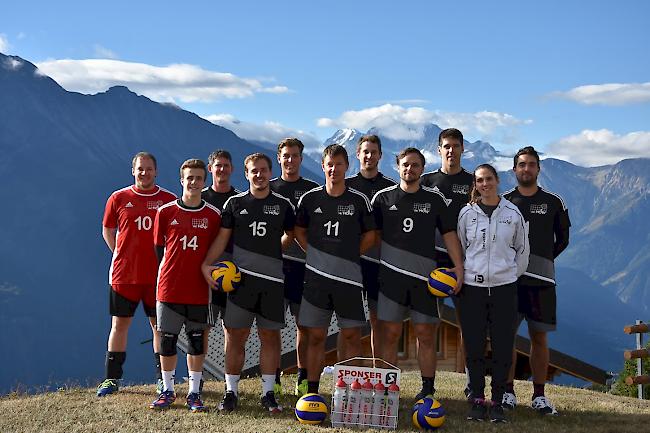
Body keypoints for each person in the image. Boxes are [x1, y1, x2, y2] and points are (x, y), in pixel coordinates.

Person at [201, 153, 295, 414]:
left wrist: (275, 250)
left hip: (273, 282)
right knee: (235, 336)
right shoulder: (234, 203)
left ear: (270, 172)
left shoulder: (283, 205)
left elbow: (292, 234)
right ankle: (231, 392)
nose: (260, 175)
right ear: (246, 174)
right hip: (240, 283)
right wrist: (206, 265)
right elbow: (222, 240)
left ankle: (268, 395)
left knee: (270, 336)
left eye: (264, 170)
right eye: (254, 171)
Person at [371, 148, 464, 401]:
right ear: (397, 167)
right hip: (390, 280)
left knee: (425, 334)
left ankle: (428, 388)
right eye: (405, 165)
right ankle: (387, 389)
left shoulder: (434, 200)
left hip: (426, 282)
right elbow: (372, 237)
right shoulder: (382, 198)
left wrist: (459, 268)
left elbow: (449, 235)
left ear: (422, 169)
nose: (409, 169)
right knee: (389, 335)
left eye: (414, 165)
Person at [295, 144, 377, 395]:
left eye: (339, 164)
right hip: (316, 280)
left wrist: (350, 256)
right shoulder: (309, 199)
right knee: (316, 336)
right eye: (329, 164)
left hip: (349, 281)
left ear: (346, 167)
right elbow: (299, 231)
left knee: (352, 335)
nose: (334, 169)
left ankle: (350, 393)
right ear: (323, 167)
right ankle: (312, 391)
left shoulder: (358, 200)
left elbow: (371, 235)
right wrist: (316, 255)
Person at [97, 152, 176, 397]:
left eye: (149, 169)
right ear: (133, 171)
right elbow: (108, 230)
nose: (144, 173)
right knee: (119, 325)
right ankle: (111, 379)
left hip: (158, 277)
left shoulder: (168, 199)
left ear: (156, 171)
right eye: (140, 169)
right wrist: (121, 253)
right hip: (124, 276)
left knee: (159, 328)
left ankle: (162, 380)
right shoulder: (118, 198)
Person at [456, 164, 529, 423]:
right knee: (474, 347)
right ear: (474, 184)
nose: (484, 184)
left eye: (488, 179)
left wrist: (507, 275)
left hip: (504, 289)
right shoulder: (466, 214)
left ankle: (497, 401)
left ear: (497, 180)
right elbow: (462, 250)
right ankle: (477, 399)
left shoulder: (512, 213)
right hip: (472, 290)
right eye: (479, 180)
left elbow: (523, 250)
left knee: (502, 348)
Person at [502, 146, 570, 415]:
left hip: (542, 281)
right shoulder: (504, 202)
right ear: (514, 169)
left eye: (531, 164)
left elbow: (563, 239)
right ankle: (506, 392)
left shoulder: (554, 202)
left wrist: (541, 262)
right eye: (521, 164)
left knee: (539, 337)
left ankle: (539, 395)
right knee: (505, 337)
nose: (526, 169)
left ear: (538, 169)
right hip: (509, 281)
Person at [150, 159, 221, 412]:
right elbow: (159, 250)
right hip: (168, 288)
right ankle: (167, 390)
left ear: (205, 181)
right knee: (167, 341)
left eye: (199, 178)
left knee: (196, 342)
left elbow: (216, 251)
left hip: (200, 290)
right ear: (182, 180)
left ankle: (193, 393)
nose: (193, 182)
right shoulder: (165, 212)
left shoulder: (213, 216)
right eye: (189, 178)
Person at [420, 128, 474, 399]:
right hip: (433, 264)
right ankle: (427, 387)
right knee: (428, 326)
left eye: (455, 146)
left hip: (467, 263)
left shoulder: (474, 182)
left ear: (463, 149)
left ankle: (471, 383)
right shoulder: (426, 181)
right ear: (438, 150)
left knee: (470, 326)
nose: (451, 150)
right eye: (446, 146)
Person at [269, 138, 319, 396]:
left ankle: (302, 379)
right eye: (286, 156)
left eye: (295, 155)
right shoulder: (267, 188)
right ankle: (274, 380)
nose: (290, 160)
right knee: (272, 327)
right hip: (274, 269)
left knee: (305, 327)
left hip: (303, 269)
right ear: (278, 158)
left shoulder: (312, 191)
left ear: (301, 158)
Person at [345, 134, 396, 355]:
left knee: (379, 322)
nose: (369, 156)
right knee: (348, 325)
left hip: (380, 264)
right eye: (365, 151)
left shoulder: (392, 188)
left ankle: (379, 374)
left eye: (373, 152)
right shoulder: (344, 186)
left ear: (380, 156)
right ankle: (344, 376)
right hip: (350, 263)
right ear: (357, 154)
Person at [201, 149, 241, 382]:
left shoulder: (239, 200)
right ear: (211, 169)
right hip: (205, 275)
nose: (222, 169)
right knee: (203, 328)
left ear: (232, 169)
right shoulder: (200, 198)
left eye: (226, 165)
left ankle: (229, 383)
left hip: (233, 275)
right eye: (218, 165)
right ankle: (199, 381)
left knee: (232, 330)